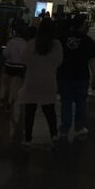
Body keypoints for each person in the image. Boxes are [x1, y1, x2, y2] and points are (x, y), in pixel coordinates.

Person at [20, 17, 63, 147]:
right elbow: (59, 62)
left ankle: (28, 138)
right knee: (49, 110)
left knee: (30, 111)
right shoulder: (56, 45)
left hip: (32, 79)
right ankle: (54, 135)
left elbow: (24, 59)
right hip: (48, 80)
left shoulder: (32, 43)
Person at [59, 14, 95, 141]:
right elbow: (92, 61)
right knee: (81, 103)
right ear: (82, 25)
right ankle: (78, 128)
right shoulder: (88, 41)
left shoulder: (63, 38)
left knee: (66, 102)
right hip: (81, 77)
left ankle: (64, 129)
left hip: (65, 75)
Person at [1, 21, 28, 137]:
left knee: (6, 83)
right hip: (20, 67)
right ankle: (11, 101)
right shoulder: (26, 44)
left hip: (9, 65)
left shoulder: (12, 42)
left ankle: (3, 99)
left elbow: (6, 54)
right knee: (16, 85)